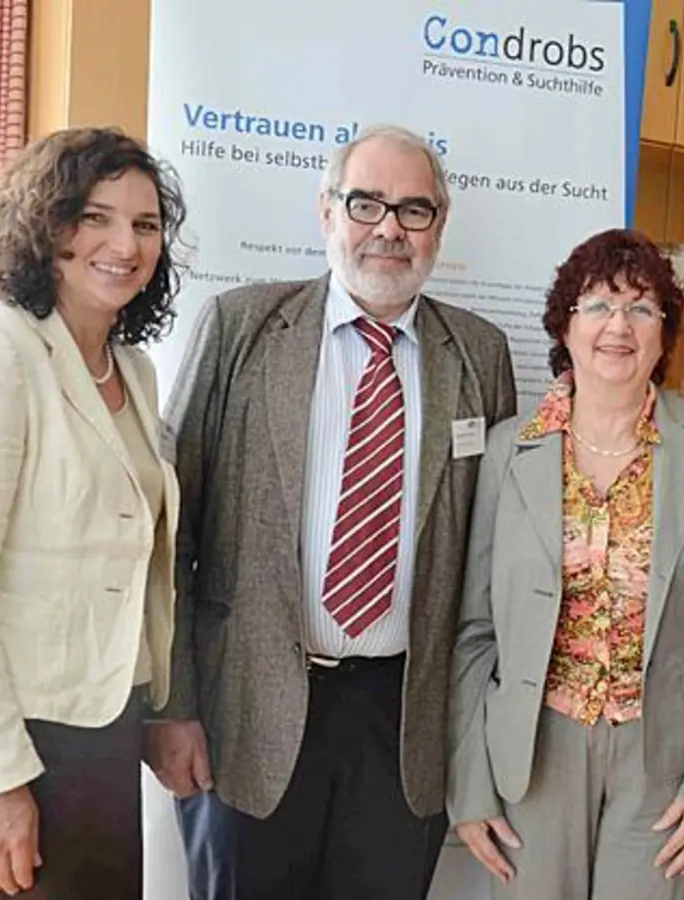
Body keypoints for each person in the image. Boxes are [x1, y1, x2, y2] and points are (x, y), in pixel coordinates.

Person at [148, 123, 518, 900]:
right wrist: (172, 707)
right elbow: (167, 535)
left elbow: (489, 555)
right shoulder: (242, 327)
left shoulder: (478, 355)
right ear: (326, 211)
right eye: (366, 203)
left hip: (402, 723)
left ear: (438, 228)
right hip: (246, 712)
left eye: (414, 210)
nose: (389, 228)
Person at [448, 227, 684, 900]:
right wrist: (469, 784)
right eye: (597, 305)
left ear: (665, 333)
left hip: (666, 761)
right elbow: (475, 632)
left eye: (641, 308)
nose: (618, 326)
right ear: (565, 327)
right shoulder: (511, 449)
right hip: (534, 755)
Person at [0, 127, 188, 898]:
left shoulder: (132, 370)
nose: (125, 244)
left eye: (145, 225)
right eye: (95, 218)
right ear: (45, 226)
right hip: (13, 738)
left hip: (102, 731)